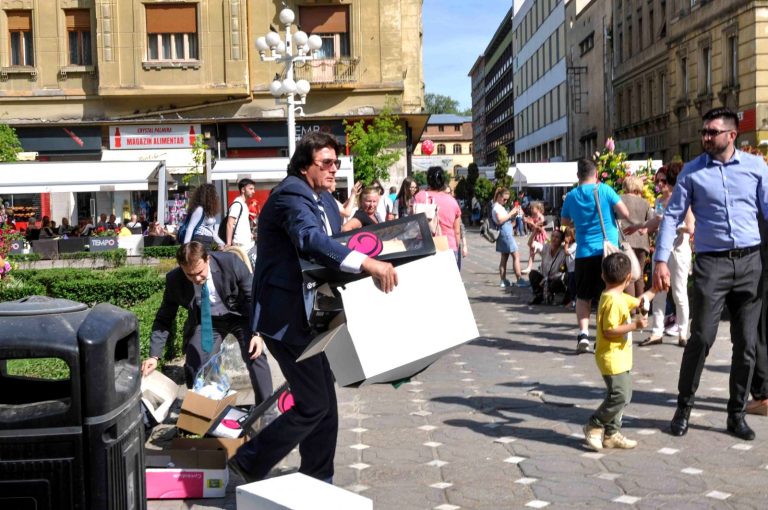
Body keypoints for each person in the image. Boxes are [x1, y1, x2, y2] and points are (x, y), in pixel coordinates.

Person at [228, 132, 398, 484]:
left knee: (325, 406)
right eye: (327, 163)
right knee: (315, 404)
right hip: (286, 320)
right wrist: (367, 263)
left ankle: (317, 479)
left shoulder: (321, 199)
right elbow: (309, 239)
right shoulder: (291, 193)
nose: (335, 169)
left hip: (311, 319)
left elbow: (333, 242)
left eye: (337, 163)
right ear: (305, 166)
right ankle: (248, 459)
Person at [656, 108, 768, 441]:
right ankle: (683, 408)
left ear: (731, 135)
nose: (705, 137)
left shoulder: (755, 167)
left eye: (711, 132)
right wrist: (661, 260)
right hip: (711, 265)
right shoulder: (692, 173)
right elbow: (671, 217)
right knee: (702, 337)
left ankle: (736, 415)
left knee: (746, 343)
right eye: (704, 131)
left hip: (750, 264)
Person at [140, 242, 273, 403]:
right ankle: (204, 410)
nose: (196, 278)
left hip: (240, 316)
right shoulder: (174, 279)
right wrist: (154, 356)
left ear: (207, 259)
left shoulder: (229, 262)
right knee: (194, 362)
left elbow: (255, 297)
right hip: (207, 320)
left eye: (200, 272)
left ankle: (265, 410)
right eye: (189, 274)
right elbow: (164, 317)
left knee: (255, 354)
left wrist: (258, 333)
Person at [583, 252, 655, 451]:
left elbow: (639, 301)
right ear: (628, 278)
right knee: (619, 395)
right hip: (611, 358)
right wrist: (635, 325)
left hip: (620, 357)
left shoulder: (616, 296)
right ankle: (594, 424)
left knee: (625, 395)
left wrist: (655, 289)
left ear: (603, 276)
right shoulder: (614, 301)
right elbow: (609, 330)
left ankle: (611, 434)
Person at [561, 158, 632, 354]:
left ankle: (583, 335)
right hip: (607, 252)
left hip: (584, 253)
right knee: (609, 294)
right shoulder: (605, 190)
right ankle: (606, 335)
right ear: (597, 173)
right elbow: (624, 213)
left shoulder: (571, 196)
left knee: (583, 296)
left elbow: (565, 221)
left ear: (578, 176)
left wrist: (578, 222)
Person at [630, 163, 694, 347]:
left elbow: (690, 227)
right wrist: (640, 227)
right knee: (658, 292)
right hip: (661, 250)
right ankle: (657, 332)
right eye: (657, 181)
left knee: (679, 292)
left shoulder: (683, 200)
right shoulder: (659, 201)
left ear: (671, 181)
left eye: (663, 180)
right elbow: (654, 222)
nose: (659, 184)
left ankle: (683, 333)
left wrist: (670, 224)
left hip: (679, 250)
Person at [412, 167, 462, 267]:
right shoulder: (452, 201)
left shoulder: (420, 197)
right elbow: (457, 231)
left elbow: (412, 224)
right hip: (448, 246)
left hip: (425, 247)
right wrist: (457, 248)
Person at [620, 175, 653, 300]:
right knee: (639, 275)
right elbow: (651, 222)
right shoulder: (645, 203)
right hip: (642, 242)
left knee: (628, 274)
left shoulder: (619, 199)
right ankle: (641, 306)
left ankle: (631, 309)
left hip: (625, 240)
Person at [492, 188, 527, 288]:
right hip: (505, 234)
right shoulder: (496, 207)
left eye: (507, 199)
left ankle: (503, 280)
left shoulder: (499, 206)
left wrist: (513, 217)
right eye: (504, 199)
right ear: (499, 196)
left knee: (504, 257)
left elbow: (504, 220)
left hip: (505, 232)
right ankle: (519, 279)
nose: (506, 201)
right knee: (516, 255)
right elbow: (499, 220)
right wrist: (511, 213)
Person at [529, 229, 566, 305]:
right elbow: (531, 244)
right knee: (532, 274)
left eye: (557, 237)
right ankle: (539, 295)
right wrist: (534, 232)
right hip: (544, 279)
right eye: (552, 236)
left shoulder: (563, 252)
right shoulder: (546, 247)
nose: (554, 239)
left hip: (555, 280)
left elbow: (562, 272)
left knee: (556, 283)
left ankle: (553, 295)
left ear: (561, 240)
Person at [183, 183, 225, 248]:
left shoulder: (208, 211)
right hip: (200, 240)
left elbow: (211, 230)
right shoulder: (199, 209)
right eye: (213, 193)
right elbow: (190, 227)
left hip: (207, 241)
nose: (216, 195)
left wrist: (221, 243)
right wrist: (185, 246)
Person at [226, 178, 256, 251]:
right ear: (243, 190)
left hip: (246, 245)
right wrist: (228, 244)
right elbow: (230, 224)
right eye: (251, 189)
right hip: (240, 246)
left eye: (253, 189)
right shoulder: (237, 204)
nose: (253, 191)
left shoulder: (243, 204)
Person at [523, 201, 548, 274]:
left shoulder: (541, 217)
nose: (531, 210)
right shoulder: (533, 217)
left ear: (538, 209)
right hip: (534, 236)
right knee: (532, 251)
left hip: (541, 236)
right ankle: (529, 267)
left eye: (532, 208)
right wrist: (527, 222)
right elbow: (532, 228)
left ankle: (544, 266)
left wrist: (531, 223)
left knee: (543, 253)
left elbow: (540, 229)